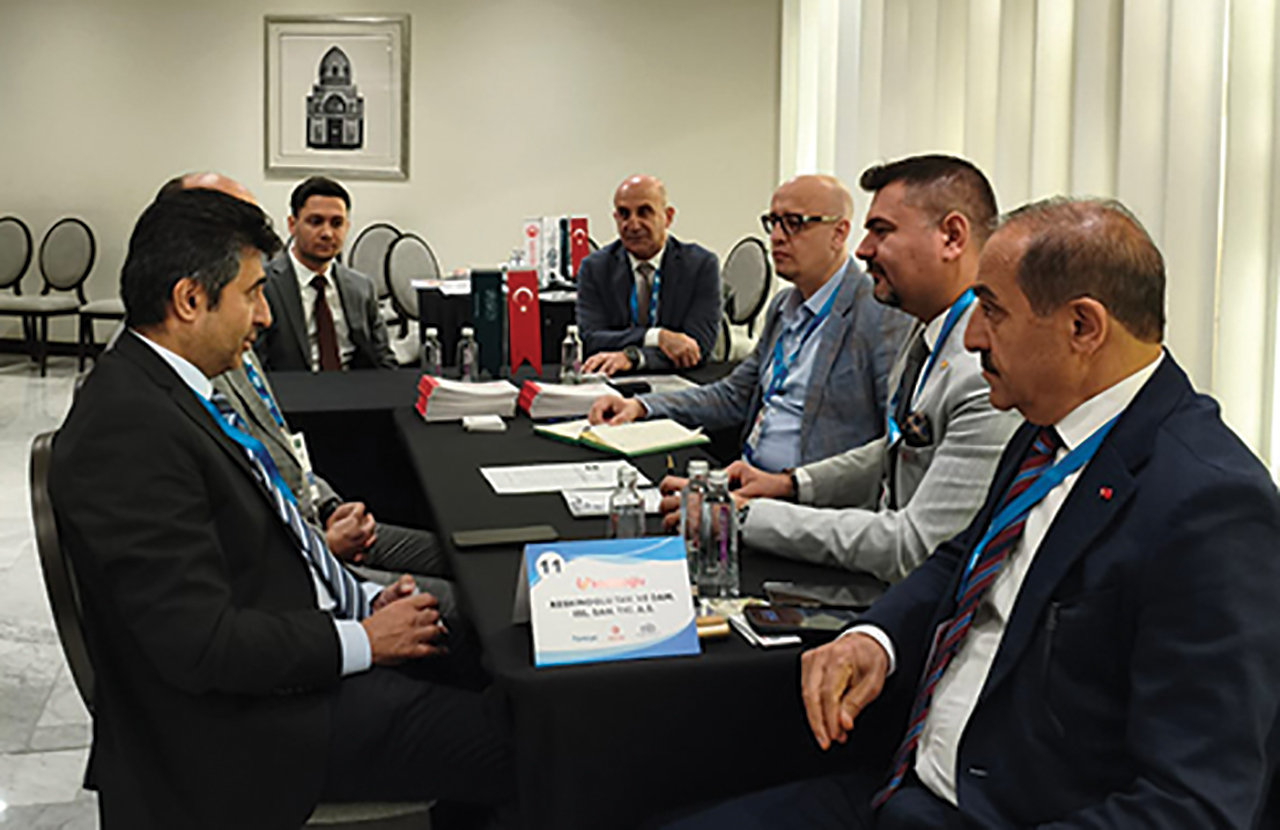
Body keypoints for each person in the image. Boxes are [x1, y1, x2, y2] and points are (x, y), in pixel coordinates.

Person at [665, 198, 1280, 829]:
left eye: (992, 310)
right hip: (901, 783)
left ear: (1082, 327)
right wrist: (877, 637)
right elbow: (967, 556)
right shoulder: (1047, 428)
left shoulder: (1209, 506)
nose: (972, 336)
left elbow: (1193, 804)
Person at [49, 189, 513, 829]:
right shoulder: (127, 429)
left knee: (495, 649)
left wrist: (361, 599)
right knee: (528, 738)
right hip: (246, 729)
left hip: (283, 659)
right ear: (189, 300)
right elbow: (200, 644)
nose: (265, 316)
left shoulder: (168, 388)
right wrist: (363, 639)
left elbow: (251, 549)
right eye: (252, 294)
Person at [662, 156, 1019, 584]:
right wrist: (791, 484)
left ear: (952, 237)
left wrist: (742, 516)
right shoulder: (925, 330)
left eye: (881, 231)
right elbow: (897, 447)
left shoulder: (984, 370)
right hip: (827, 526)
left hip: (893, 578)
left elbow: (912, 546)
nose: (864, 249)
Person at [590, 174, 912, 472]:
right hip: (747, 476)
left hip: (807, 500)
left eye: (794, 224)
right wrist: (640, 406)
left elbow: (891, 448)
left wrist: (792, 488)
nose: (777, 237)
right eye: (773, 222)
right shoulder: (784, 307)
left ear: (839, 233)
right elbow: (733, 395)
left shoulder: (879, 314)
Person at [577, 174, 721, 374]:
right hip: (614, 380)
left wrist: (634, 358)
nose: (633, 225)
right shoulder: (594, 268)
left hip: (682, 379)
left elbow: (697, 348)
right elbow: (592, 340)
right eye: (624, 214)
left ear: (668, 217)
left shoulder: (701, 266)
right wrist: (656, 337)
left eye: (644, 212)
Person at [255, 175, 398, 371]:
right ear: (292, 225)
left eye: (337, 223)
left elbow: (384, 361)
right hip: (291, 388)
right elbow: (255, 367)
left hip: (355, 386)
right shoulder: (264, 286)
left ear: (347, 227)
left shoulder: (362, 288)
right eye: (316, 222)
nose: (327, 233)